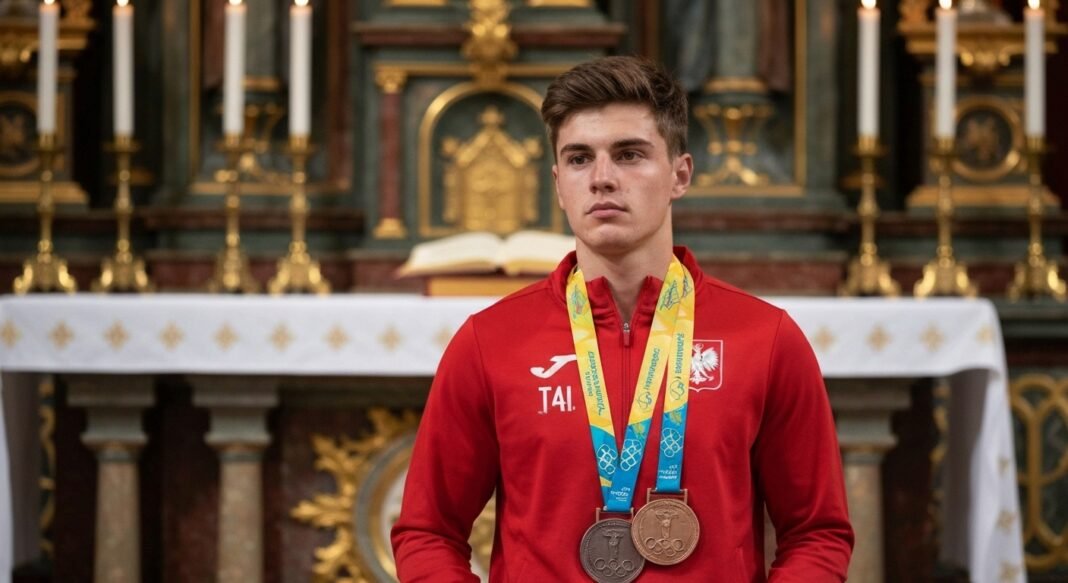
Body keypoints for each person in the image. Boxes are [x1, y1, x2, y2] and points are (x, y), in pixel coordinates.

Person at [391, 56, 853, 582]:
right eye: (580, 158)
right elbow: (427, 532)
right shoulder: (490, 342)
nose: (603, 178)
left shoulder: (766, 339)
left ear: (680, 174)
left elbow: (817, 532)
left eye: (629, 154)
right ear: (558, 182)